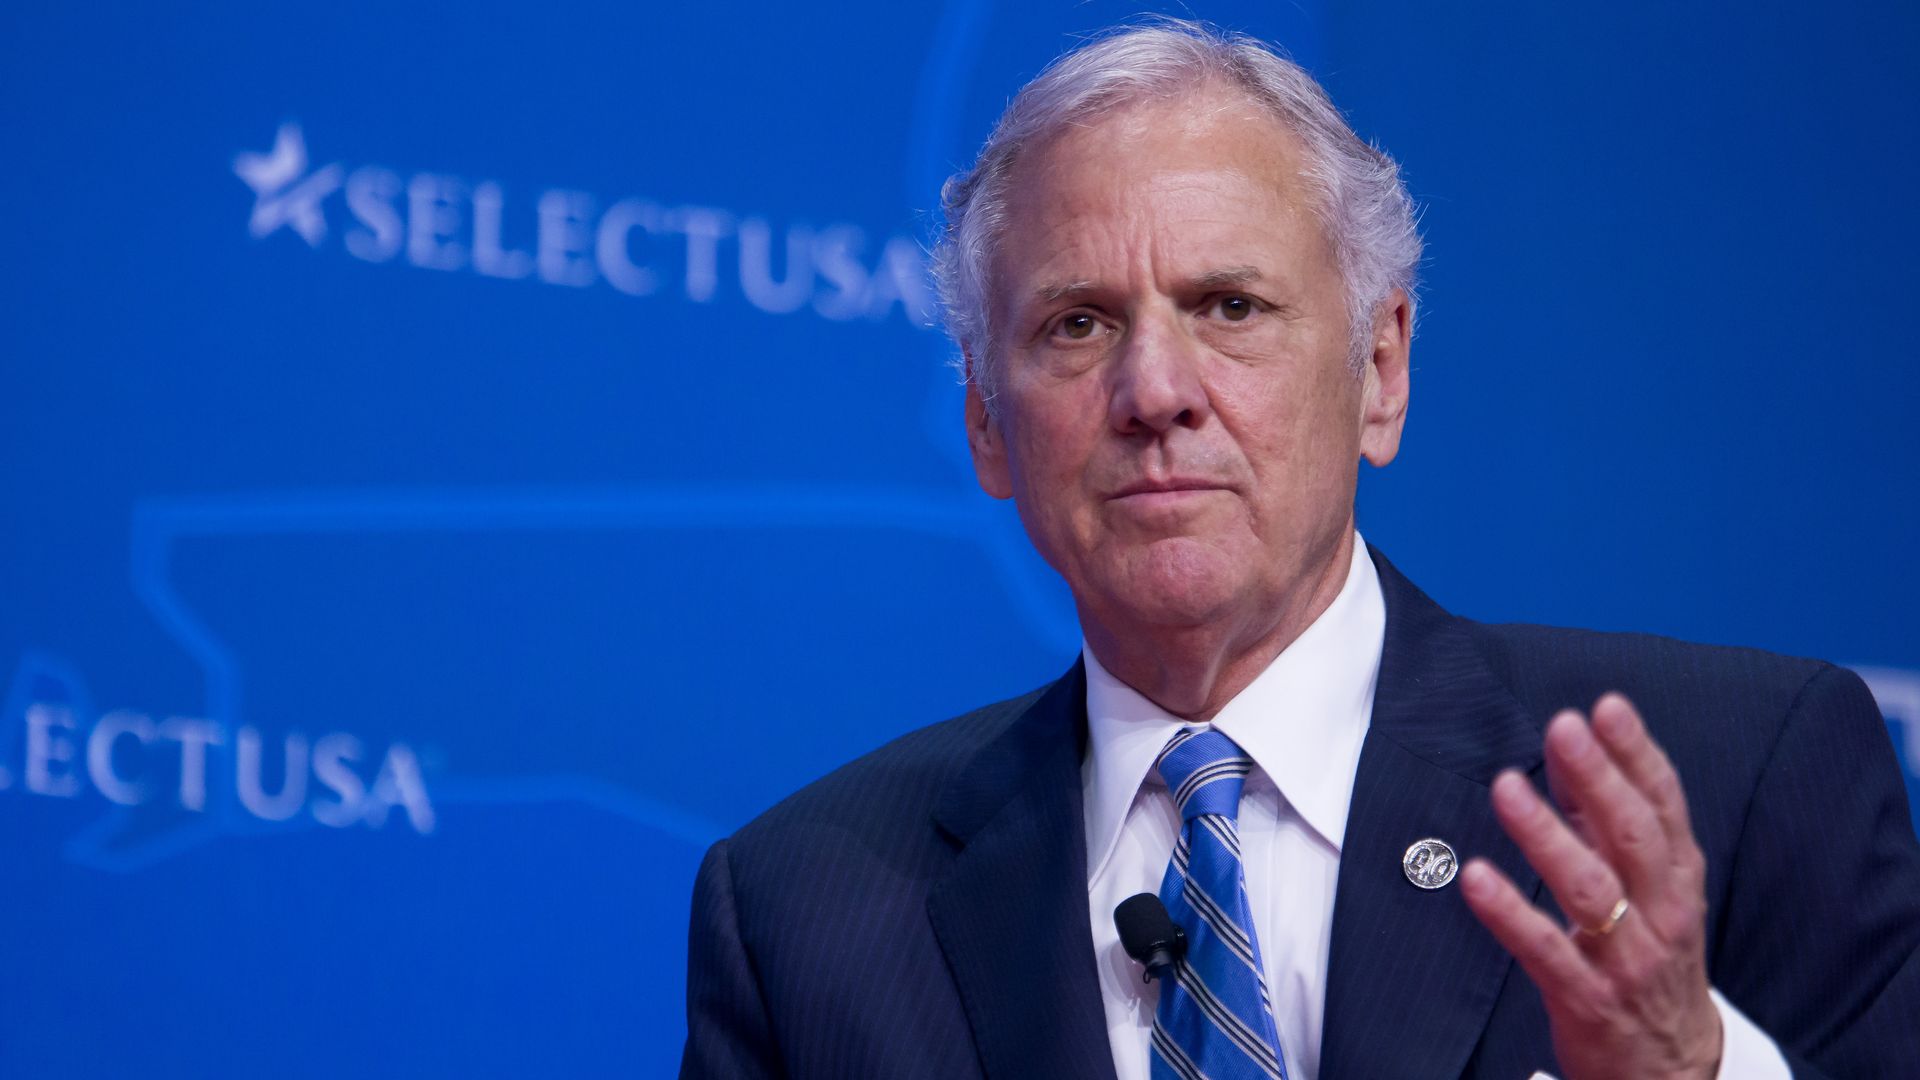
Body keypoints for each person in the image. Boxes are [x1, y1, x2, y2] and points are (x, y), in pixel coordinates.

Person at [680, 20, 1920, 1079]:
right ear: (985, 425)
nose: (1154, 391)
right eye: (1078, 324)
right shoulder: (804, 917)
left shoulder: (1737, 781)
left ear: (1381, 370)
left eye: (1230, 306)